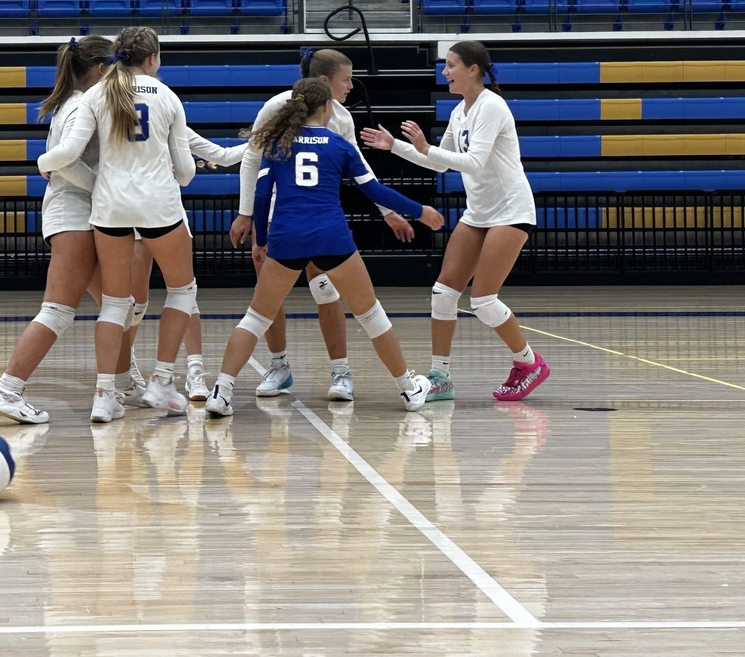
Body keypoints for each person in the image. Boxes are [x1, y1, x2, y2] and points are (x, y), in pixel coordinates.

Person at [205, 78, 445, 418]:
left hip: (287, 236)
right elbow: (375, 191)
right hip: (331, 236)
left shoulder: (277, 144)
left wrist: (261, 240)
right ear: (327, 107)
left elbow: (262, 195)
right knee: (371, 315)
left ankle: (221, 393)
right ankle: (408, 389)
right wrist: (420, 211)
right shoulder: (339, 145)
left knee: (256, 318)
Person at [360, 40, 550, 403]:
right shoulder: (460, 110)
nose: (445, 72)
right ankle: (440, 377)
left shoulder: (491, 106)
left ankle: (529, 363)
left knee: (484, 300)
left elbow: (474, 162)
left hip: (510, 210)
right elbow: (440, 163)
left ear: (473, 69)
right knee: (443, 293)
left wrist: (425, 147)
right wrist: (394, 146)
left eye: (451, 65)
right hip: (479, 212)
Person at [229, 48, 414, 404]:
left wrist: (387, 211)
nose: (351, 86)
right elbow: (253, 158)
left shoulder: (342, 118)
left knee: (326, 290)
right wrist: (246, 213)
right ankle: (279, 365)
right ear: (325, 82)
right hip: (278, 215)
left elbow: (360, 170)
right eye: (346, 80)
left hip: (318, 216)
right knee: (268, 298)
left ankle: (340, 371)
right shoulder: (276, 106)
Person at [38, 27, 197, 424]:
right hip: (158, 206)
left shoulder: (96, 94)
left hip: (109, 207)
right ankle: (162, 381)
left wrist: (43, 163)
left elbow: (67, 153)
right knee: (182, 291)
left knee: (114, 302)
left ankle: (105, 396)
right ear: (153, 58)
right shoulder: (168, 96)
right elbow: (185, 172)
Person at [0, 35, 114, 425]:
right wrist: (107, 189)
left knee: (118, 307)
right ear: (101, 69)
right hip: (73, 214)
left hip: (78, 213)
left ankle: (126, 382)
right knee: (58, 310)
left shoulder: (76, 102)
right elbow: (65, 163)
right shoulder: (79, 107)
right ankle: (8, 389)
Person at [124, 131, 248, 406]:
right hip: (130, 213)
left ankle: (195, 371)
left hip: (167, 213)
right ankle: (126, 368)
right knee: (134, 303)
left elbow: (222, 156)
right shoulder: (119, 118)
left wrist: (263, 141)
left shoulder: (170, 119)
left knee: (185, 293)